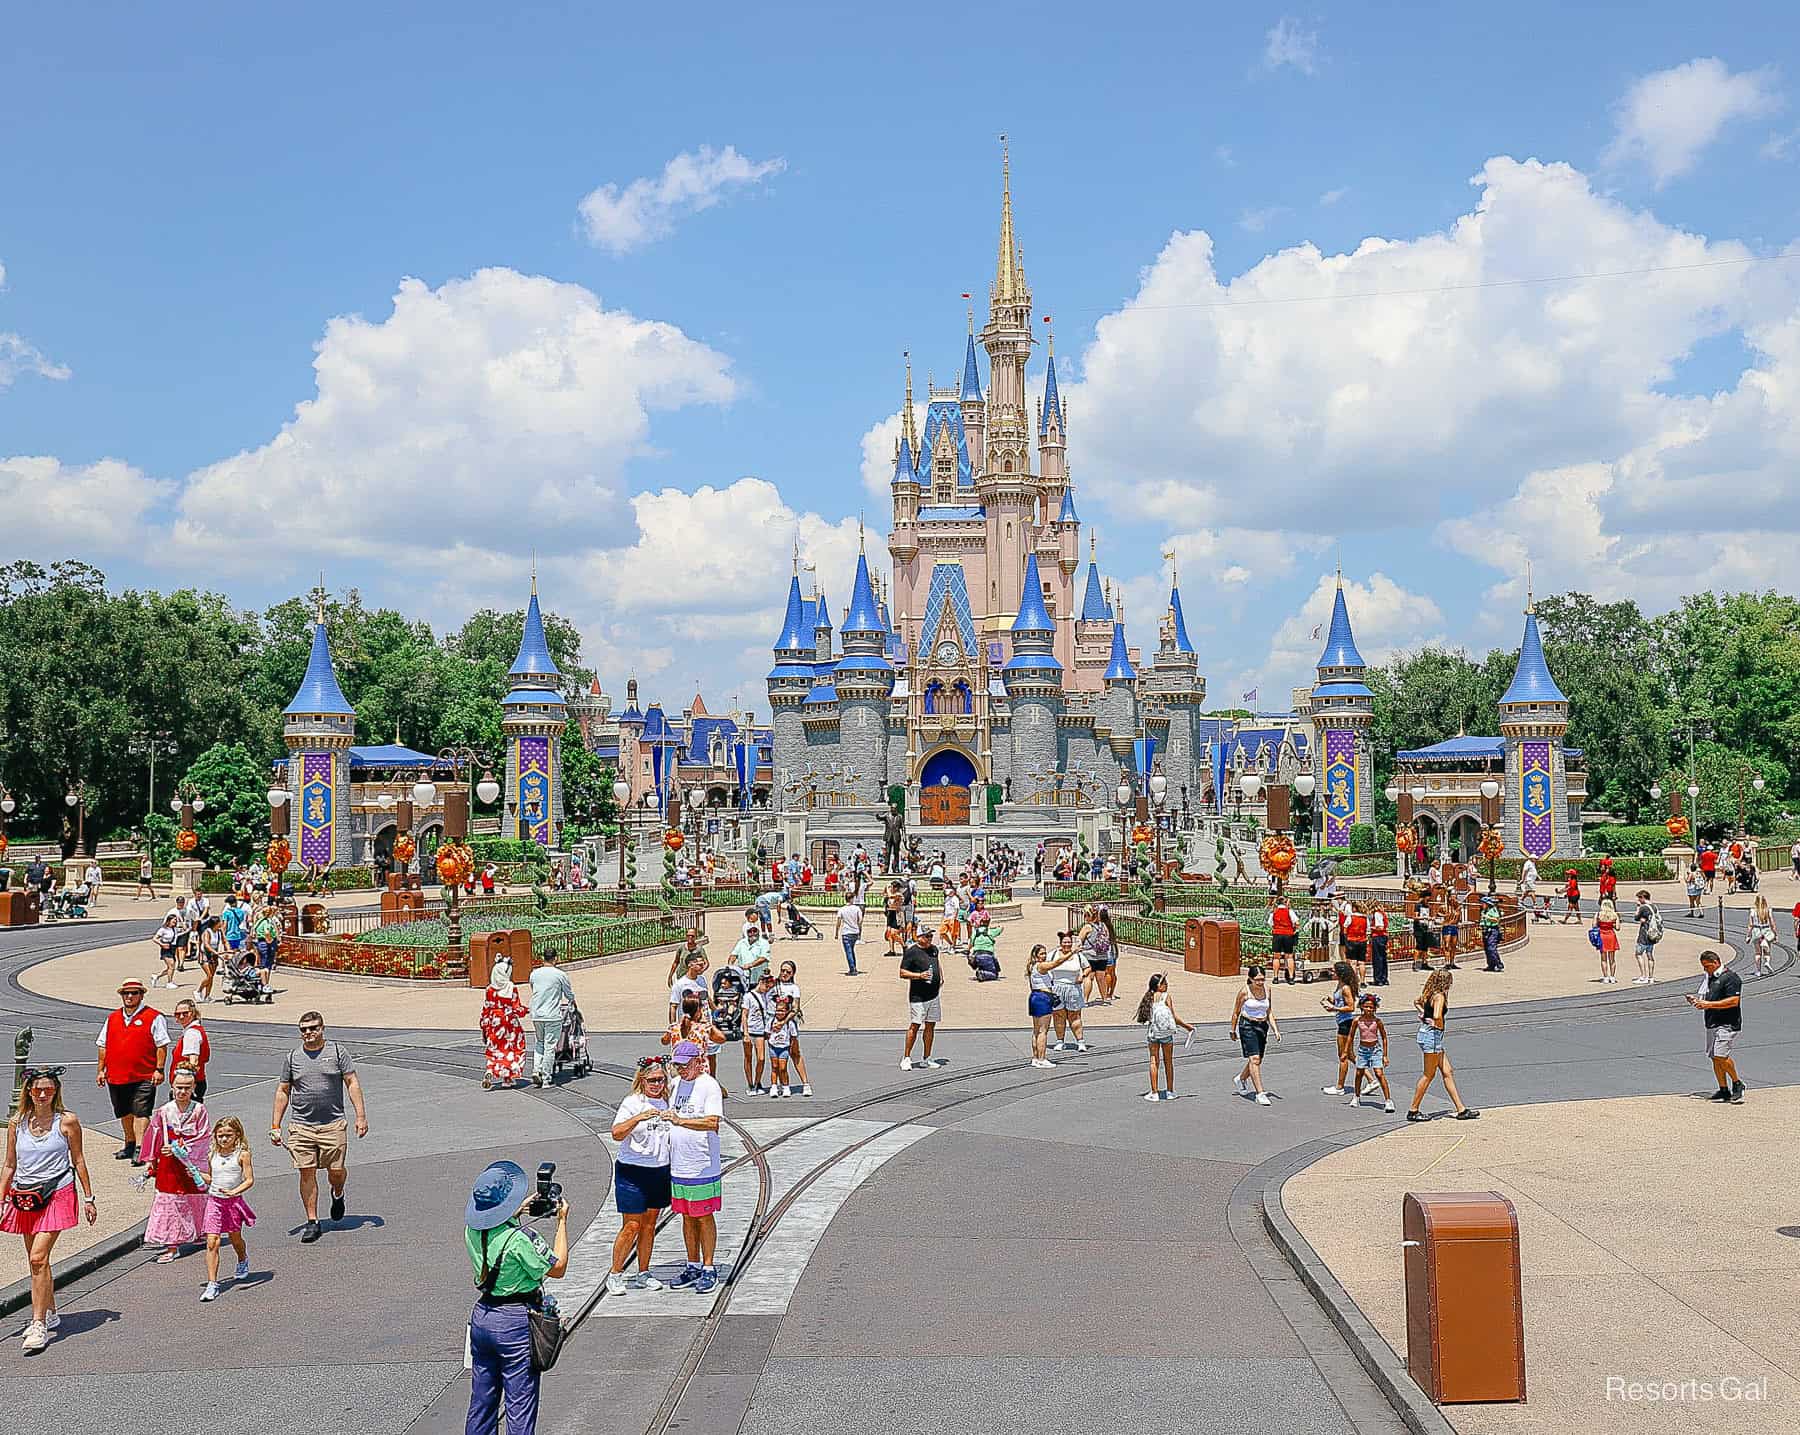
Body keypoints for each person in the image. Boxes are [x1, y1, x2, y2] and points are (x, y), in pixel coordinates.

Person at [464, 1159, 570, 1435]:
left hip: (482, 1317)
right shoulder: (520, 1239)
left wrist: (516, 1211)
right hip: (514, 1322)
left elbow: (495, 1227)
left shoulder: (472, 1230)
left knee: (482, 1400)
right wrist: (561, 1223)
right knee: (519, 1402)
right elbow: (557, 1268)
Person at [2, 1066, 98, 1353]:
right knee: (37, 1263)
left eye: (48, 1089)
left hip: (57, 1192)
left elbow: (78, 1160)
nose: (42, 1094)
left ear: (55, 1091)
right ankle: (52, 1311)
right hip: (25, 1195)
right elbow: (9, 1165)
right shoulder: (17, 1122)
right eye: (37, 1089)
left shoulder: (67, 1121)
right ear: (28, 1091)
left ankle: (38, 1323)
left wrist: (89, 1197)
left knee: (38, 1257)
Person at [269, 1012, 368, 1243]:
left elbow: (351, 1082)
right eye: (303, 1029)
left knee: (335, 1171)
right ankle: (312, 1221)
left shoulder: (336, 1052)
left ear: (322, 1028)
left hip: (333, 1124)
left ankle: (338, 1192)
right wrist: (275, 1125)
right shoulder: (293, 1057)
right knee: (306, 1171)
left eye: (313, 1028)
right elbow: (283, 1090)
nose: (308, 1033)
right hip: (301, 1125)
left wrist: (360, 1116)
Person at [607, 1058, 671, 1295]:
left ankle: (643, 1271)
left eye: (660, 1080)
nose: (657, 1084)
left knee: (650, 1225)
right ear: (642, 1080)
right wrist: (637, 1119)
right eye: (652, 1080)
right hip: (633, 1171)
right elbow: (616, 1133)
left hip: (660, 1170)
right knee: (632, 1225)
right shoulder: (632, 1103)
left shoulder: (668, 1101)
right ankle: (615, 1273)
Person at [666, 1040, 724, 1293]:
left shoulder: (708, 1086)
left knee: (703, 1216)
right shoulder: (676, 1084)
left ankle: (709, 1266)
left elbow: (712, 1122)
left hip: (702, 1165)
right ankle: (692, 1263)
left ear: (698, 1062)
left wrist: (681, 1121)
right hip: (679, 1165)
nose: (681, 1070)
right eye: (677, 1065)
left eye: (685, 1065)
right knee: (687, 1217)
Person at [140, 1063, 212, 1263]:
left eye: (187, 1087)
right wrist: (152, 1159)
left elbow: (204, 1137)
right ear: (172, 1086)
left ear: (194, 1088)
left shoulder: (199, 1110)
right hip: (169, 1165)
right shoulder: (164, 1111)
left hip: (190, 1163)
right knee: (170, 1201)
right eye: (179, 1087)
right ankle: (172, 1245)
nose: (182, 1091)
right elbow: (153, 1136)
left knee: (193, 1198)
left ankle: (197, 1232)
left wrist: (183, 1150)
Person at [96, 978, 169, 1165]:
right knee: (124, 1112)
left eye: (134, 993)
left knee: (141, 1111)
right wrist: (101, 1070)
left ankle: (140, 1148)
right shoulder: (112, 1018)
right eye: (126, 993)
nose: (129, 996)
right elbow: (102, 1045)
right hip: (116, 1075)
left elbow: (162, 1045)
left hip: (143, 1075)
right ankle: (129, 1143)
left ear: (141, 995)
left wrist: (159, 1069)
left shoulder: (154, 1016)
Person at [1406, 971, 1478, 1122]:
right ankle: (1413, 1110)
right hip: (1432, 1037)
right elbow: (1438, 1015)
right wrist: (1437, 1024)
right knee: (1428, 1075)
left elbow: (1416, 1002)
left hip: (1430, 1037)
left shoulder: (1429, 993)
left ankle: (1461, 1109)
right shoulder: (1439, 996)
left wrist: (1424, 1016)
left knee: (1447, 1071)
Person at [200, 1116, 255, 1301]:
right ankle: (212, 1284)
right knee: (212, 1241)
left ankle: (242, 1259)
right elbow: (210, 1178)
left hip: (232, 1202)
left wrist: (234, 1191)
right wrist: (196, 1174)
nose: (223, 1139)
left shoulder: (242, 1154)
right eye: (220, 1135)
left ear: (237, 1135)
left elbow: (248, 1179)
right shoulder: (212, 1155)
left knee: (235, 1238)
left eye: (228, 1135)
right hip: (214, 1202)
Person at [1688, 950, 1744, 1103]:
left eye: (1707, 966)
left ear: (1716, 963)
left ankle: (1738, 1083)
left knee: (1720, 1055)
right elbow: (1707, 998)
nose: (1705, 970)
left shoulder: (1730, 978)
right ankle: (1723, 1089)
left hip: (1727, 1023)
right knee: (1714, 1057)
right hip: (1712, 1021)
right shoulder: (1710, 978)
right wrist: (1697, 1001)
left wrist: (1708, 1004)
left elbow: (1734, 1001)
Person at [1136, 972, 1193, 1101]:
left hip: (1153, 1034)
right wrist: (1187, 1026)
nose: (1167, 985)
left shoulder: (1148, 997)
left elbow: (1145, 1017)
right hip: (1166, 1034)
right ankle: (1170, 1091)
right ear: (1158, 986)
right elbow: (1173, 1016)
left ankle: (1154, 1092)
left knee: (1153, 1061)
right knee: (1168, 1062)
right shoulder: (1166, 997)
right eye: (1164, 983)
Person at [1229, 967, 1280, 1106]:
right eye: (1257, 980)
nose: (1260, 982)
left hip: (1262, 1026)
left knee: (1258, 1059)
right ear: (1251, 979)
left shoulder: (1267, 990)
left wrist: (1275, 1029)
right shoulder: (1244, 991)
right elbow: (1235, 1012)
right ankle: (1260, 1093)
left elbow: (1269, 1010)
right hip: (1247, 1025)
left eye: (1262, 979)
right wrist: (1232, 1030)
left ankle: (1241, 1078)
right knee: (1255, 1058)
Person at [898, 927, 944, 1070]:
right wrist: (919, 976)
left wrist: (941, 977)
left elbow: (937, 963)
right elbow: (902, 972)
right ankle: (906, 1057)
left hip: (934, 994)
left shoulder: (934, 949)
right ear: (919, 937)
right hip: (918, 996)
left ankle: (927, 1057)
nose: (930, 939)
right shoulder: (912, 952)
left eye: (931, 936)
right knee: (915, 1025)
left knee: (930, 1025)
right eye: (927, 936)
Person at [480, 958, 529, 1090]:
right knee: (511, 1048)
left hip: (493, 1021)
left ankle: (490, 1069)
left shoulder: (489, 989)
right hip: (509, 1022)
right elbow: (516, 1007)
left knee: (495, 1048)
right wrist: (526, 1010)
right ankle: (508, 1078)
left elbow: (486, 1007)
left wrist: (484, 1025)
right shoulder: (511, 987)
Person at [527, 958, 575, 1089]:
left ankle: (536, 1070)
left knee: (539, 1043)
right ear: (556, 959)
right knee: (549, 1046)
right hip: (552, 1015)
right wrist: (572, 1000)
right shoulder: (560, 974)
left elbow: (534, 988)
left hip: (537, 1014)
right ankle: (546, 1078)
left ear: (543, 959)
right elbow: (568, 992)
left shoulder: (534, 974)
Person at [1345, 994, 1395, 1112]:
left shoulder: (1377, 1021)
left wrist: (1385, 1055)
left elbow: (1384, 1037)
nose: (1369, 1009)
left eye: (1371, 1007)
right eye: (1366, 1007)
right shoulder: (1357, 1020)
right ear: (1362, 1006)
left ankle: (1388, 1100)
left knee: (1379, 1073)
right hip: (1363, 1050)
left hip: (1375, 1050)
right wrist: (1347, 1050)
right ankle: (1356, 1097)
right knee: (1359, 1073)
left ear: (1375, 1008)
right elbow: (1351, 1036)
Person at [771, 960, 813, 1095]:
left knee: (795, 1052)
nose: (784, 973)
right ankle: (777, 1085)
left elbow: (795, 1008)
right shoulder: (773, 985)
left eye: (788, 972)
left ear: (793, 973)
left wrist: (783, 1022)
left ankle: (805, 1083)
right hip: (773, 1023)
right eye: (782, 970)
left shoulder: (794, 988)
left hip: (788, 1023)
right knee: (776, 1057)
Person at [1320, 961, 1359, 1095]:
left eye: (1334, 971)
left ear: (1340, 973)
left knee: (1343, 1056)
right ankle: (1372, 1080)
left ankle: (1340, 1087)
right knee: (1349, 1055)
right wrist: (1331, 1000)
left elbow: (1351, 1007)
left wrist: (1334, 1008)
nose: (1332, 973)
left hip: (1346, 1023)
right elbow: (1341, 1001)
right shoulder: (1340, 985)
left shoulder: (1346, 988)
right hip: (1342, 1022)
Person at [168, 999, 211, 1099]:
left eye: (185, 1013)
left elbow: (193, 1060)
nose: (181, 1016)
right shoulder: (194, 1030)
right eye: (178, 1014)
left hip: (187, 1085)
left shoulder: (192, 1034)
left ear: (192, 1013)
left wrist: (186, 1085)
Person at [742, 970, 775, 1094]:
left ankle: (757, 1082)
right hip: (750, 1029)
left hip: (760, 1030)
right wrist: (745, 1033)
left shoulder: (766, 996)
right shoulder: (749, 996)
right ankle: (750, 1083)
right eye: (766, 986)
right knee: (748, 1057)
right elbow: (744, 1015)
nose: (767, 989)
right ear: (760, 982)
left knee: (761, 1058)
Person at [1631, 889, 1662, 984]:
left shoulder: (1643, 907)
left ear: (1643, 898)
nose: (1638, 900)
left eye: (1639, 898)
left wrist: (1638, 907)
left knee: (1638, 954)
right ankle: (1651, 976)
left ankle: (1643, 976)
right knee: (1649, 954)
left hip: (1644, 934)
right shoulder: (1654, 907)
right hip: (1652, 934)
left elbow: (1636, 917)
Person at [1269, 894, 1299, 984]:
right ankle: (1290, 978)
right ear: (1286, 902)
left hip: (1277, 934)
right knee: (1289, 956)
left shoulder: (1274, 911)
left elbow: (1270, 923)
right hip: (1288, 934)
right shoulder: (1289, 911)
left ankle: (1275, 977)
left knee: (1276, 956)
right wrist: (1295, 930)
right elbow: (1297, 923)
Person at [251, 905, 281, 991]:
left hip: (260, 942)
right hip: (267, 944)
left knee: (263, 964)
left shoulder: (259, 921)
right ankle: (265, 984)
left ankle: (264, 983)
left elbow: (254, 932)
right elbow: (267, 932)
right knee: (267, 965)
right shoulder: (267, 922)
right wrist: (270, 941)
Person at [834, 893, 863, 976]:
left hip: (846, 932)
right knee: (851, 950)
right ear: (852, 899)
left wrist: (836, 932)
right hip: (855, 931)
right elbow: (860, 920)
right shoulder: (857, 909)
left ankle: (852, 969)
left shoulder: (842, 909)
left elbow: (838, 922)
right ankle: (854, 966)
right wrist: (858, 928)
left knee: (848, 951)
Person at [1595, 895, 1621, 983]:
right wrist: (1611, 924)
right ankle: (1612, 976)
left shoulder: (1598, 914)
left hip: (1602, 935)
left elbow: (1594, 925)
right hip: (1611, 935)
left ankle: (1605, 976)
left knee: (1603, 959)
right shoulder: (1615, 915)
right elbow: (1618, 928)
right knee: (1612, 958)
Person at [1748, 894, 1775, 976]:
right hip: (1766, 930)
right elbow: (1772, 924)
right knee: (1767, 952)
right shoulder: (1768, 911)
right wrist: (1775, 934)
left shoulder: (1753, 911)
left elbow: (1750, 925)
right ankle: (1767, 962)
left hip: (1756, 931)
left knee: (1758, 953)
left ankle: (1758, 971)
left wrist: (1748, 935)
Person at [1479, 894, 1504, 972]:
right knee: (1487, 949)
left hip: (1492, 930)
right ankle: (1491, 965)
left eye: (1483, 903)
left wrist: (1487, 917)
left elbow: (1496, 920)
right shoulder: (1484, 911)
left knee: (1491, 948)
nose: (1481, 905)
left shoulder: (1492, 910)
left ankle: (1498, 964)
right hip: (1485, 930)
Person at [1368, 903, 1391, 986]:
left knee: (1377, 958)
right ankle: (1384, 978)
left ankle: (1378, 979)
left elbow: (1380, 927)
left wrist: (1371, 927)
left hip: (1378, 936)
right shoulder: (1382, 914)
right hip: (1383, 936)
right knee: (1383, 957)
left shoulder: (1377, 914)